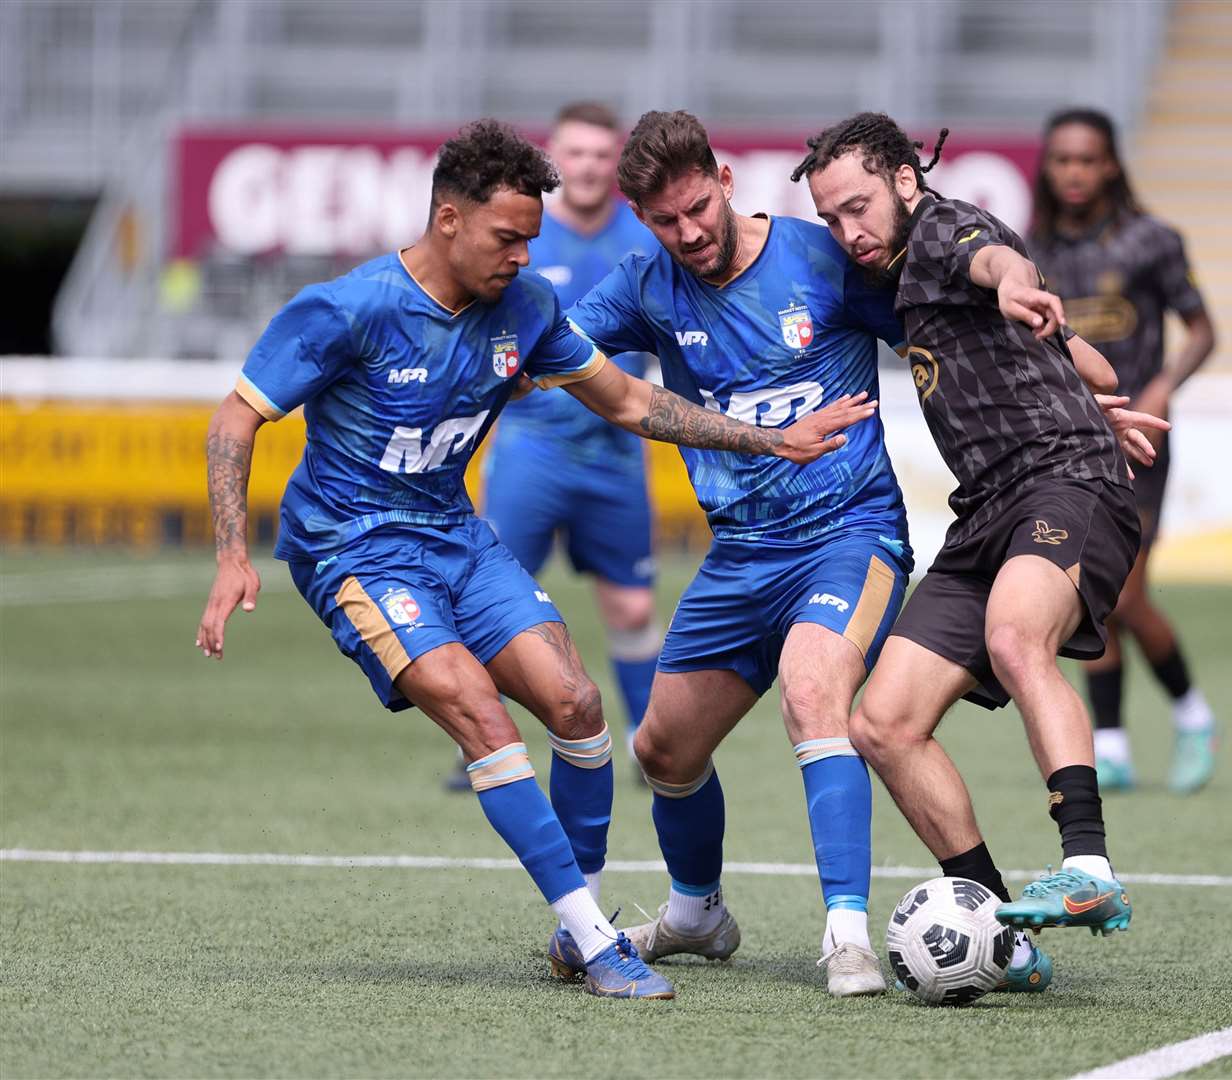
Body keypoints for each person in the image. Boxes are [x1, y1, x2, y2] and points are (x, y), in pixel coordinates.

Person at [192, 118, 875, 1002]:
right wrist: (230, 555)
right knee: (480, 713)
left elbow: (629, 400)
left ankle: (576, 910)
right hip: (356, 551)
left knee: (579, 704)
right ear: (448, 218)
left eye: (531, 240)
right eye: (507, 238)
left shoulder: (526, 311)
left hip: (454, 536)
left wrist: (769, 440)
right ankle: (598, 943)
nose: (523, 257)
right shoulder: (346, 309)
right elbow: (235, 418)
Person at [564, 109, 1005, 998]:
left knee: (814, 696)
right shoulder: (646, 285)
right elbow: (555, 352)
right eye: (664, 221)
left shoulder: (820, 258)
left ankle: (846, 933)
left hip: (851, 534)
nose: (686, 233)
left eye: (696, 208)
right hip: (739, 557)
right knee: (664, 751)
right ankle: (697, 914)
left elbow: (939, 337)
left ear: (724, 181)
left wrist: (1060, 389)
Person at [796, 112, 1169, 948]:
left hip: (1064, 483)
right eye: (830, 218)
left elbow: (993, 257)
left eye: (857, 205)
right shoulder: (894, 273)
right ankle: (994, 921)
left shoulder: (938, 230)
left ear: (902, 178)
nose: (847, 231)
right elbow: (1094, 366)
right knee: (881, 724)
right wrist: (1070, 367)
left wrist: (1008, 279)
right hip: (987, 511)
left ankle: (1090, 869)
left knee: (1013, 636)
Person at [1030, 107, 1219, 794]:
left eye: (1088, 159)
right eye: (1063, 160)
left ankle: (1192, 716)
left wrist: (1167, 383)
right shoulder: (1032, 255)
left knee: (1123, 594)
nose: (1075, 172)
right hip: (1069, 446)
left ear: (1110, 164)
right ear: (1048, 168)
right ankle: (1111, 745)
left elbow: (1202, 330)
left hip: (1140, 441)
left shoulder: (1152, 241)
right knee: (1092, 597)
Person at [473, 102, 663, 786]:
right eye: (575, 154)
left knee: (633, 605)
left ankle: (648, 743)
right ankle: (486, 743)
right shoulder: (522, 239)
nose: (587, 166)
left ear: (618, 163)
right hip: (531, 451)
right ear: (554, 159)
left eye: (600, 154)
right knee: (492, 598)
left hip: (614, 452)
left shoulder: (645, 242)